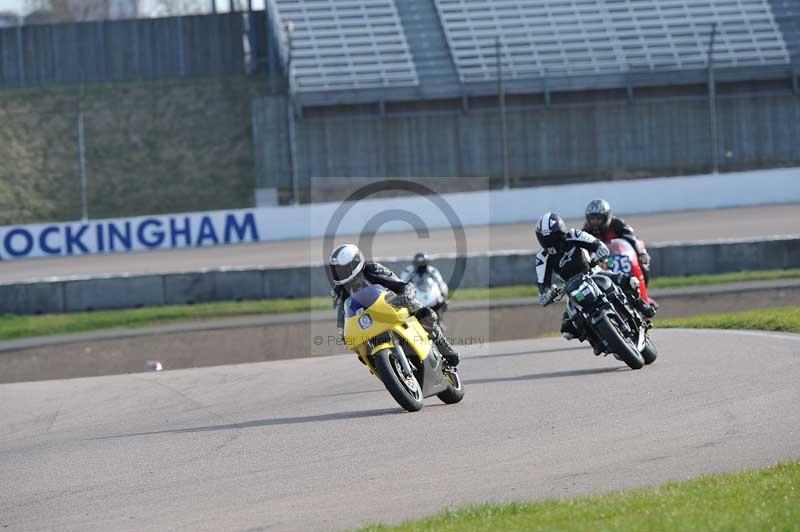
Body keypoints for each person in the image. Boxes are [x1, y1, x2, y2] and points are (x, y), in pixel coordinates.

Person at [534, 212, 655, 351]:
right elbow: (543, 283)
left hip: (593, 272)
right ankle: (596, 340)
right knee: (568, 329)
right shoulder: (542, 257)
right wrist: (546, 294)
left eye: (552, 236)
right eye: (545, 238)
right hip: (572, 288)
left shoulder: (573, 235)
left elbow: (595, 243)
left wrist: (601, 250)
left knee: (628, 281)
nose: (550, 241)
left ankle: (640, 305)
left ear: (561, 231)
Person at [328, 244, 459, 367]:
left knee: (426, 315)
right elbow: (341, 315)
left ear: (355, 263)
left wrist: (406, 295)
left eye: (342, 269)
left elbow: (400, 284)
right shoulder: (338, 291)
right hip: (366, 320)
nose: (340, 273)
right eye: (336, 270)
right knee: (360, 351)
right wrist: (343, 332)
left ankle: (445, 348)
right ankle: (383, 368)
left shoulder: (372, 269)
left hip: (392, 303)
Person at [582, 199, 652, 284]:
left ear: (607, 217)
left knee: (643, 264)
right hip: (601, 263)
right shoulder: (586, 231)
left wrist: (642, 253)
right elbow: (582, 249)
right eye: (592, 219)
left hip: (620, 258)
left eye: (598, 219)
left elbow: (632, 238)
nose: (595, 222)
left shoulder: (617, 224)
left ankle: (642, 291)